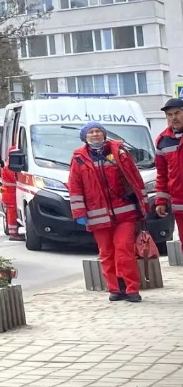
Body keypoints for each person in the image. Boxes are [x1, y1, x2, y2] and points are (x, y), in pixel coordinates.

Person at [69, 121, 148, 302]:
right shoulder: (78, 158)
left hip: (125, 213)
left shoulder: (119, 152)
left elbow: (135, 179)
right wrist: (79, 213)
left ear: (104, 135)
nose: (95, 134)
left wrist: (143, 204)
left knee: (124, 249)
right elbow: (75, 187)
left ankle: (131, 288)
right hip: (98, 216)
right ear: (85, 137)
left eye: (98, 131)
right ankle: (115, 289)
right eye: (91, 132)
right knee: (106, 253)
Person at [153, 98, 183, 236]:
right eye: (169, 115)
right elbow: (162, 174)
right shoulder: (162, 141)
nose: (173, 118)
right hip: (179, 202)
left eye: (177, 113)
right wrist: (161, 201)